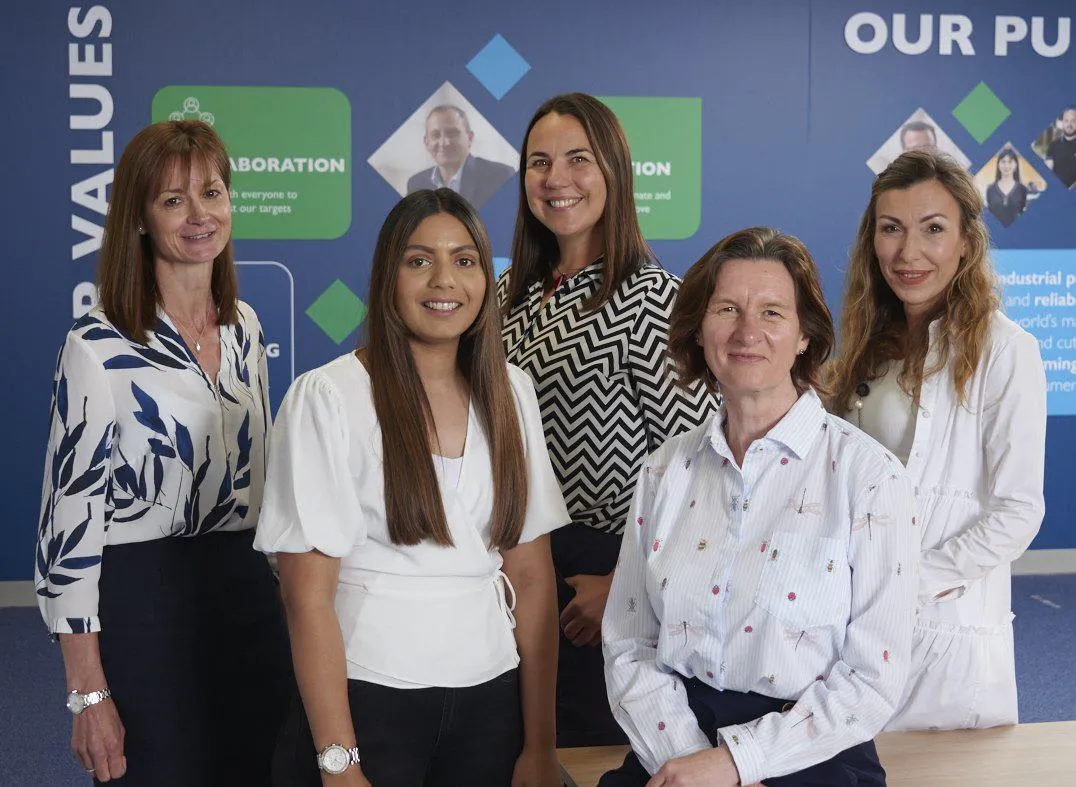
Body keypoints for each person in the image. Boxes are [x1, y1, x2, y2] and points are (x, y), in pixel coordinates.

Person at [257, 188, 568, 786]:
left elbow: (531, 580)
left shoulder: (512, 393)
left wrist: (539, 745)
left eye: (465, 260)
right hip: (368, 704)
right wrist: (338, 764)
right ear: (388, 277)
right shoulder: (327, 397)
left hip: (490, 703)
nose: (444, 281)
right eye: (419, 261)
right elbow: (306, 598)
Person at [601, 227, 918, 786]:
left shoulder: (869, 478)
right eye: (727, 308)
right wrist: (689, 762)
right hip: (676, 744)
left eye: (772, 312)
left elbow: (873, 680)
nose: (748, 331)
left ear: (804, 336)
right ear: (700, 330)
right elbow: (630, 644)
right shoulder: (660, 473)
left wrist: (737, 764)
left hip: (813, 750)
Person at [34, 120, 291, 784]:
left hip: (249, 597)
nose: (200, 214)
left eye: (212, 191)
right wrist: (88, 692)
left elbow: (264, 483)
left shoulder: (246, 328)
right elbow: (69, 531)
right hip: (146, 605)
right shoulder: (97, 344)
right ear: (141, 219)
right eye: (174, 199)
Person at [498, 92, 717, 747]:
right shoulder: (512, 297)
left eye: (577, 159)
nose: (555, 178)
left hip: (598, 579)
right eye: (539, 162)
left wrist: (627, 588)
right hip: (512, 569)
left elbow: (701, 472)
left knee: (591, 752)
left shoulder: (653, 298)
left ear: (615, 172)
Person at [828, 148, 1047, 730]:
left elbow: (1018, 511)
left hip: (945, 633)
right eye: (891, 229)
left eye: (933, 229)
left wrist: (909, 583)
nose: (908, 253)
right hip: (854, 624)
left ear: (966, 244)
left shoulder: (1006, 350)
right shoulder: (866, 348)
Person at [406, 105, 515, 207]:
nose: (444, 142)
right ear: (426, 142)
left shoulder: (501, 176)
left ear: (470, 137)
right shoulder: (415, 184)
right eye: (436, 135)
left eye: (452, 133)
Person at [985, 149, 1029, 228]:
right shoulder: (990, 189)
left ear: (1016, 165)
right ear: (998, 164)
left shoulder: (1022, 189)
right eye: (1003, 161)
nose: (1006, 165)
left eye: (1010, 162)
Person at [1045, 106, 1076, 188]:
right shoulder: (1053, 145)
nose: (1069, 124)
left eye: (1073, 121)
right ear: (1062, 123)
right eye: (1066, 120)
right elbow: (1048, 170)